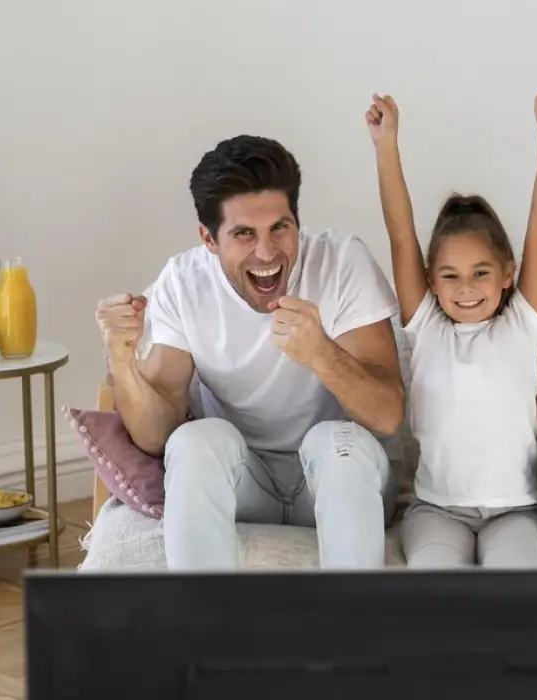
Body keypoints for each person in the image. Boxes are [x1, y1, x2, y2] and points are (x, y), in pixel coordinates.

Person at [95, 135, 405, 570]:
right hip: (245, 483)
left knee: (338, 441)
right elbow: (157, 435)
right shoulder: (184, 282)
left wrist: (322, 355)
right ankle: (208, 628)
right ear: (209, 238)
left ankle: (348, 631)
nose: (267, 252)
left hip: (339, 478)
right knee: (194, 440)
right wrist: (121, 361)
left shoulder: (341, 262)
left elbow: (388, 414)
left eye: (280, 227)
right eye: (243, 234)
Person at [364, 90, 537, 568]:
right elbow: (400, 234)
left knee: (507, 593)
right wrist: (386, 144)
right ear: (431, 282)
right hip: (438, 510)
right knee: (440, 593)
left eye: (481, 272)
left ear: (508, 274)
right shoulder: (428, 328)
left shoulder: (524, 323)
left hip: (516, 512)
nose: (466, 288)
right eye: (450, 276)